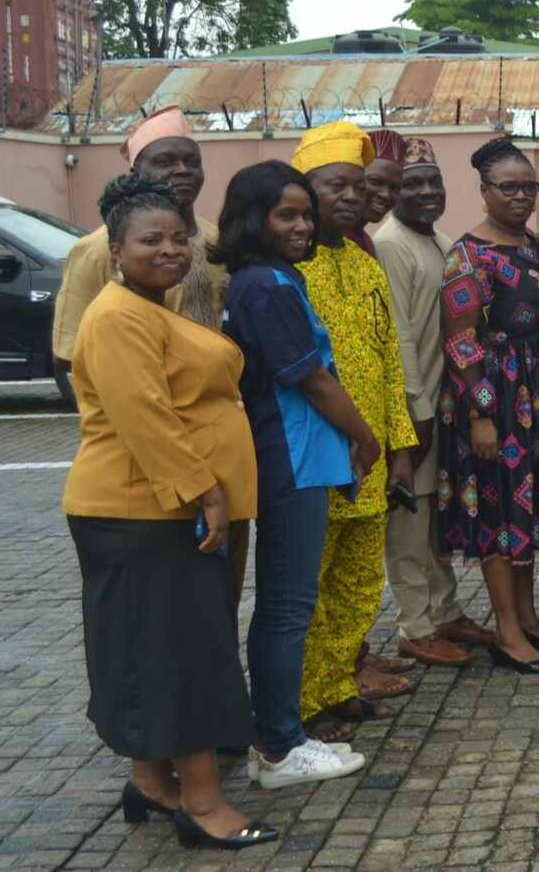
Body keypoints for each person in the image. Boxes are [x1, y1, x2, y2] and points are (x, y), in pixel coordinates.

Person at [62, 175, 276, 850]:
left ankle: (152, 783)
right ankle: (203, 805)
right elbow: (146, 419)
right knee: (184, 654)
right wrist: (204, 492)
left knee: (151, 651)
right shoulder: (119, 316)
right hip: (146, 510)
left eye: (179, 238)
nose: (171, 250)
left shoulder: (152, 309)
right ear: (115, 251)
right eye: (149, 239)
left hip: (154, 508)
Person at [213, 161, 373, 789]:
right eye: (288, 214)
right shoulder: (267, 286)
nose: (303, 225)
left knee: (289, 602)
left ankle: (282, 735)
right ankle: (279, 745)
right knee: (287, 605)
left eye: (306, 213)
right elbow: (310, 377)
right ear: (255, 218)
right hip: (291, 455)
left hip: (297, 452)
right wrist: (364, 434)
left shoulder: (271, 278)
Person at [51, 106, 243, 603]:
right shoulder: (97, 250)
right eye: (165, 162)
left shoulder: (211, 239)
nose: (181, 171)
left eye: (190, 160)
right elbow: (72, 357)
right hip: (149, 455)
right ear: (136, 173)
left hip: (211, 438)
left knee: (215, 595)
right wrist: (125, 435)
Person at [288, 122, 420, 733]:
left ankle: (338, 682)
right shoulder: (288, 271)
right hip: (316, 457)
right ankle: (306, 699)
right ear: (305, 193)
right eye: (333, 185)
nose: (348, 196)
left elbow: (390, 361)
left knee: (361, 581)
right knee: (309, 586)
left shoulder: (365, 266)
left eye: (355, 185)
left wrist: (399, 448)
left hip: (372, 460)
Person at [438, 138, 539, 674]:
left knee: (526, 512)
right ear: (484, 191)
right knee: (499, 514)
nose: (521, 196)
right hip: (494, 404)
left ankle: (529, 617)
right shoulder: (469, 255)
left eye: (529, 186)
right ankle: (507, 632)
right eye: (508, 187)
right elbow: (461, 341)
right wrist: (480, 414)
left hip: (536, 396)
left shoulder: (532, 246)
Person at [371, 140, 494, 668]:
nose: (425, 192)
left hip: (442, 405)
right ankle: (414, 626)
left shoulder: (438, 239)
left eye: (433, 182)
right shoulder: (390, 243)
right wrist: (413, 411)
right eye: (411, 183)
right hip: (413, 409)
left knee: (434, 521)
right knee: (408, 523)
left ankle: (445, 612)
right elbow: (398, 335)